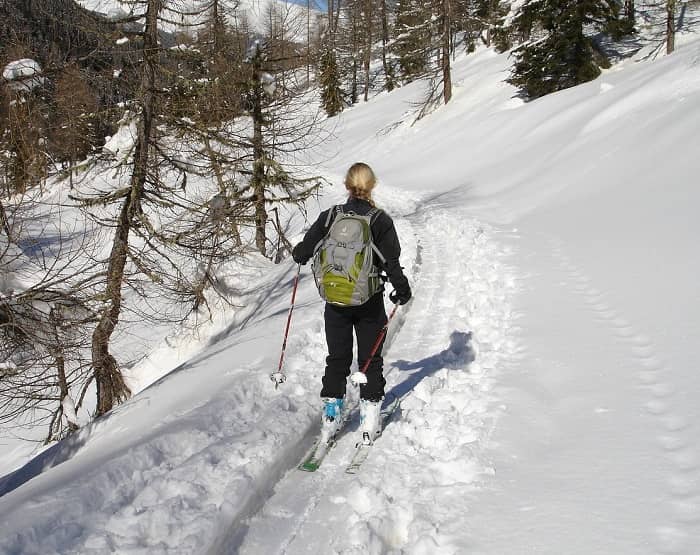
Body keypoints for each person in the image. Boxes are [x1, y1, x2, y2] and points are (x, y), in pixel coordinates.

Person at [292, 162, 412, 443]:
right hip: (368, 302)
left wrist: (302, 253)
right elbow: (391, 263)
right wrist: (402, 290)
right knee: (370, 359)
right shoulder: (379, 220)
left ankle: (331, 418)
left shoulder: (330, 216)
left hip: (335, 302)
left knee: (337, 360)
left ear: (347, 186)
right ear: (372, 186)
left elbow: (303, 252)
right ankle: (369, 420)